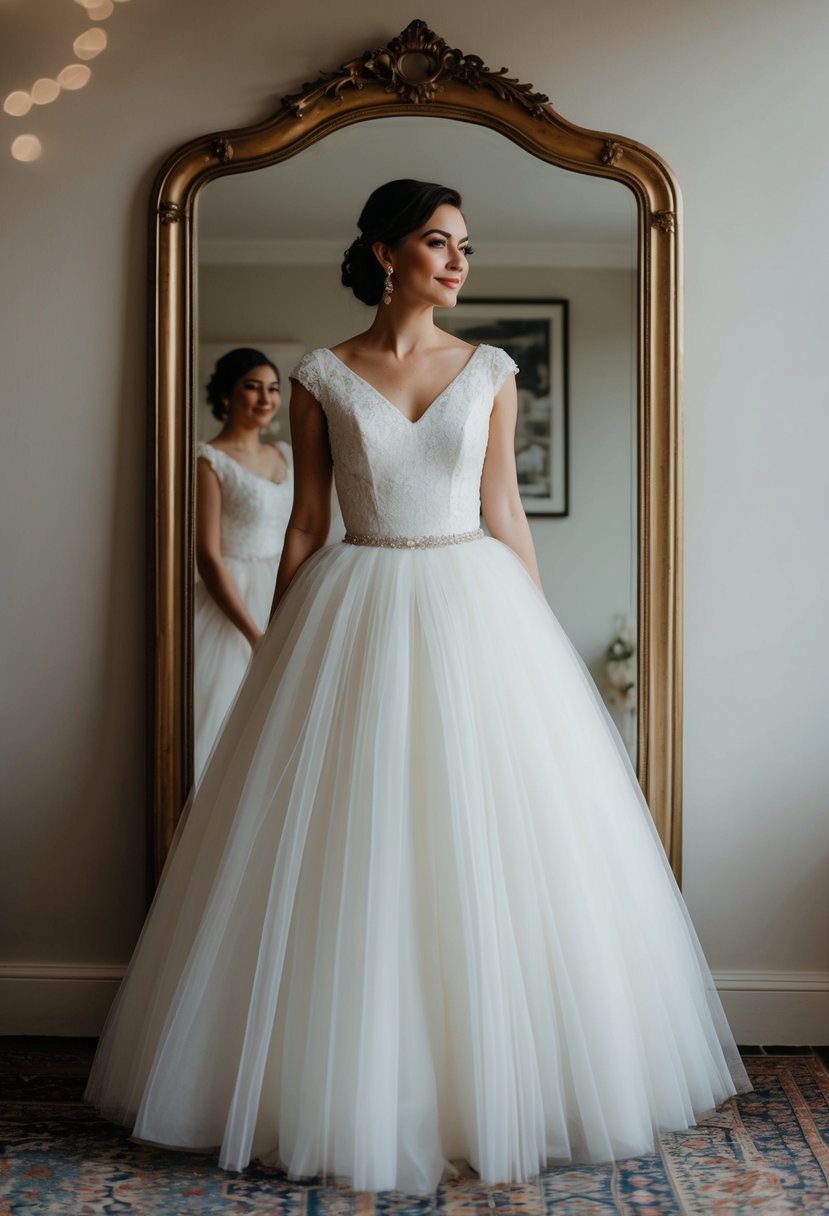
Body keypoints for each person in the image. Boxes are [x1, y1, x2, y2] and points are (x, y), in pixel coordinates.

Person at [86, 179, 749, 1195]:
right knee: (356, 841)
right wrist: (279, 659)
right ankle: (340, 1080)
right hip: (354, 599)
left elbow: (505, 513)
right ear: (384, 253)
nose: (457, 261)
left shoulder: (488, 370)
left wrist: (536, 637)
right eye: (437, 242)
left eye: (466, 247)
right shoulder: (318, 375)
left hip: (471, 598)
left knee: (479, 836)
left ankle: (490, 1082)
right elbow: (307, 525)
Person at [193, 349, 293, 779]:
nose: (265, 398)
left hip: (284, 585)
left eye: (272, 389)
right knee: (223, 719)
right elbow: (207, 556)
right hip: (230, 597)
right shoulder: (208, 459)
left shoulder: (286, 454)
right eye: (252, 387)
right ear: (226, 395)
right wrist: (254, 633)